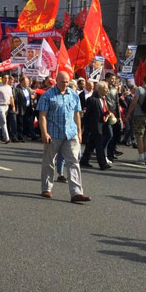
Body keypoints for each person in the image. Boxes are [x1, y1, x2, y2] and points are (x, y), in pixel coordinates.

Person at [37, 71, 91, 202]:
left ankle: (76, 192)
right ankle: (46, 188)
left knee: (73, 162)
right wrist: (44, 133)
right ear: (56, 81)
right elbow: (42, 115)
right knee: (49, 162)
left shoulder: (73, 95)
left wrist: (79, 132)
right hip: (53, 133)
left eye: (67, 82)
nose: (65, 84)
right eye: (62, 82)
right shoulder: (48, 95)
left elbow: (76, 114)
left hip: (70, 133)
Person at [125, 74, 146, 164]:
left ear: (143, 80)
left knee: (139, 136)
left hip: (139, 115)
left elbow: (134, 102)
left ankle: (141, 157)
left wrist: (129, 113)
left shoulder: (139, 89)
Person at [0, 75, 14, 143]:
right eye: (5, 78)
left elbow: (11, 97)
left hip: (6, 106)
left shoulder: (9, 87)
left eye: (7, 78)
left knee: (0, 122)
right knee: (3, 121)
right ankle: (6, 137)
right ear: (2, 79)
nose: (6, 79)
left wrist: (13, 106)